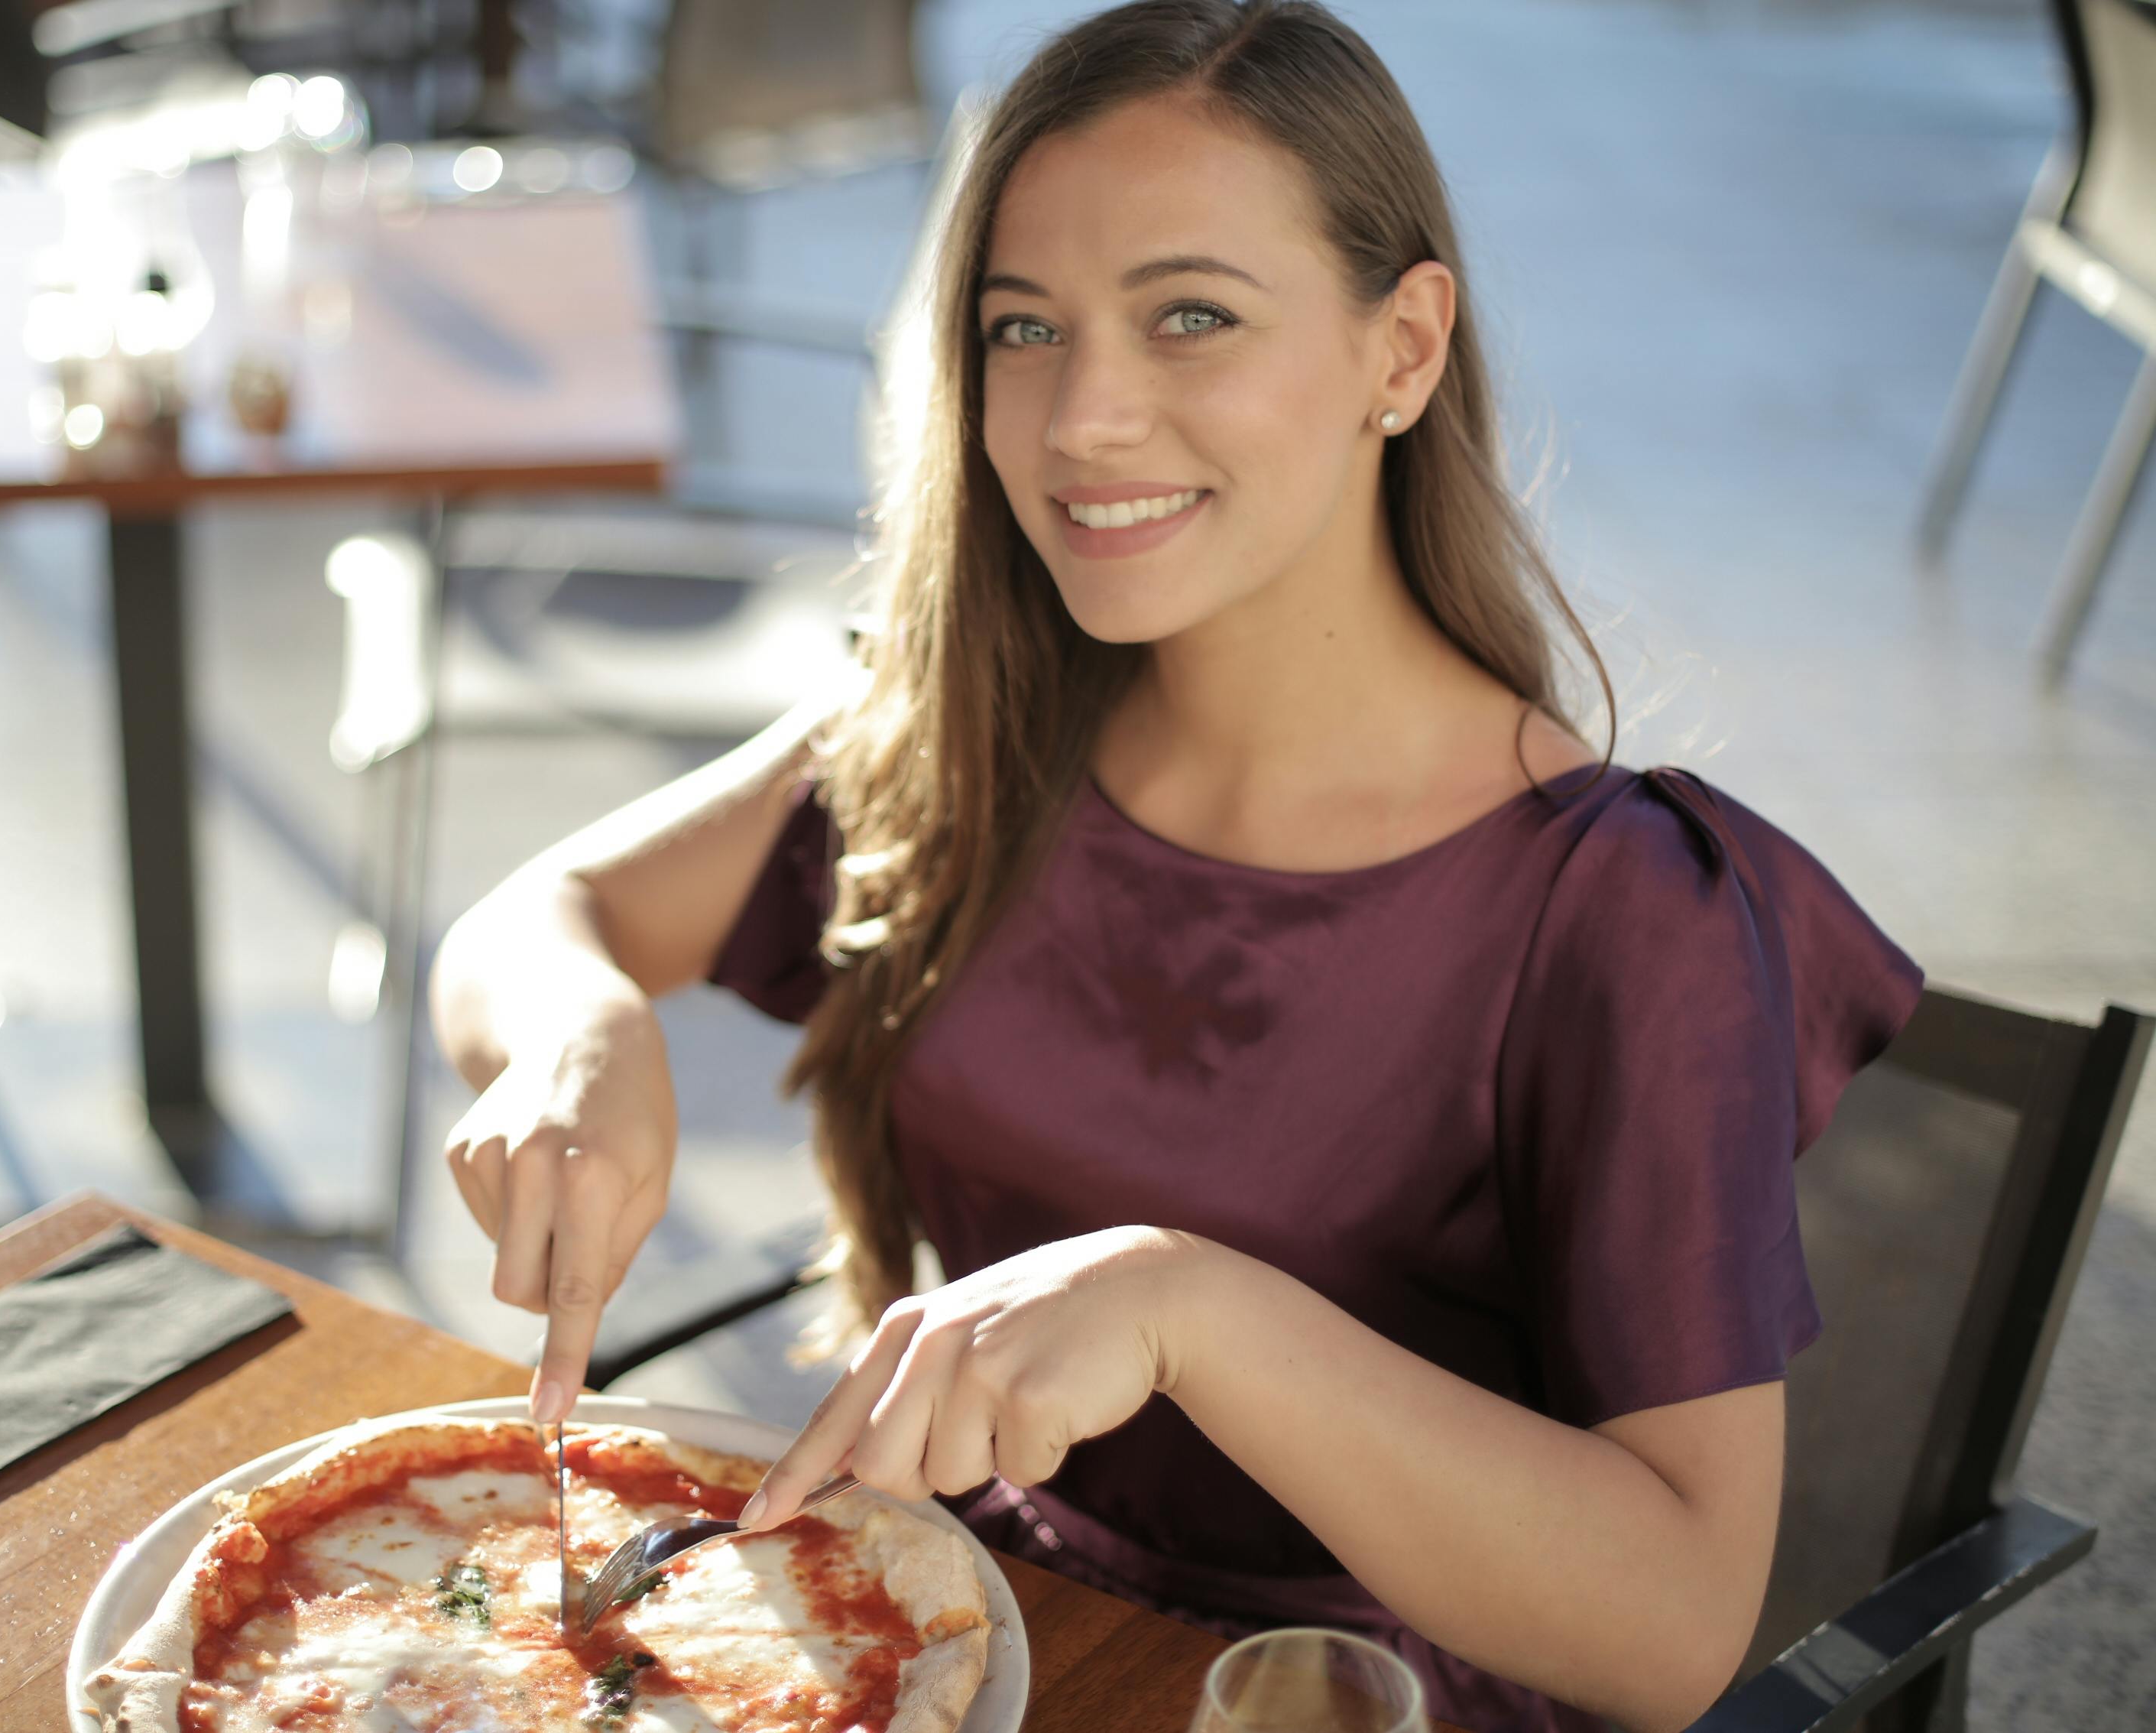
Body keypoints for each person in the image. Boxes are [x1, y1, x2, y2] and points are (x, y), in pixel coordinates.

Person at [426, 3, 1921, 1727]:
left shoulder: (1623, 910)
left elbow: (1672, 1634)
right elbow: (537, 925)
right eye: (1023, 329)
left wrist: (1188, 1309)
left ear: (1402, 350)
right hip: (956, 1626)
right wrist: (575, 1037)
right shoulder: (969, 729)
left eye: (1189, 317)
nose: (1081, 419)